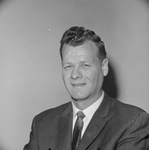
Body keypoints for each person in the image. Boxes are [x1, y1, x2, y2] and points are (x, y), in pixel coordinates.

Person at [24, 26, 149, 150]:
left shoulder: (132, 122)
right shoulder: (42, 124)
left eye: (85, 65)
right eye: (68, 66)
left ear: (104, 67)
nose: (75, 75)